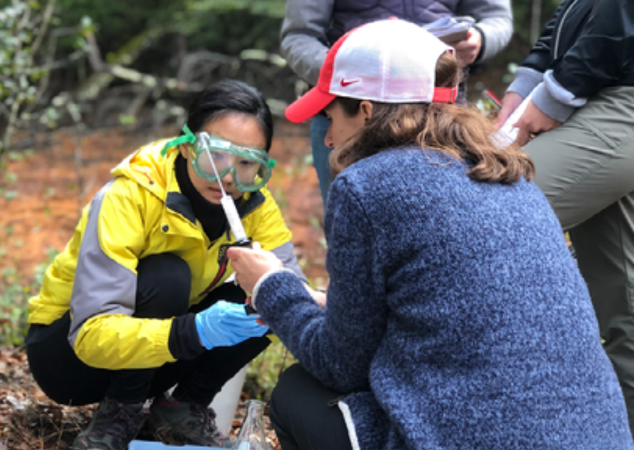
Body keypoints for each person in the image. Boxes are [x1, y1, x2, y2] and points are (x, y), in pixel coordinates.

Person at [228, 19, 634, 450]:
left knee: (298, 394)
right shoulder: (507, 172)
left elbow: (340, 364)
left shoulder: (367, 185)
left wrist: (273, 286)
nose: (327, 138)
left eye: (330, 116)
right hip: (598, 436)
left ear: (365, 110)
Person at [25, 79, 307, 450]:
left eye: (245, 163)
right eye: (216, 154)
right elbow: (91, 335)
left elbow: (294, 298)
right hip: (70, 356)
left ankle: (182, 405)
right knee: (168, 274)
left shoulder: (255, 204)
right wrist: (196, 331)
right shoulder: (131, 194)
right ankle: (120, 413)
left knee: (272, 290)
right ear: (188, 146)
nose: (227, 176)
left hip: (160, 351)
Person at [495, 0, 634, 435]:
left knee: (487, 215)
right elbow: (575, 12)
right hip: (595, 91)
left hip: (616, 96)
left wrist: (553, 95)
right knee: (623, 292)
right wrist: (529, 81)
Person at [281, 0, 513, 207]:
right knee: (348, 218)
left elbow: (497, 19)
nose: (328, 141)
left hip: (439, 115)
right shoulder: (339, 128)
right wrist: (348, 70)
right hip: (347, 111)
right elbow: (299, 36)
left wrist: (481, 38)